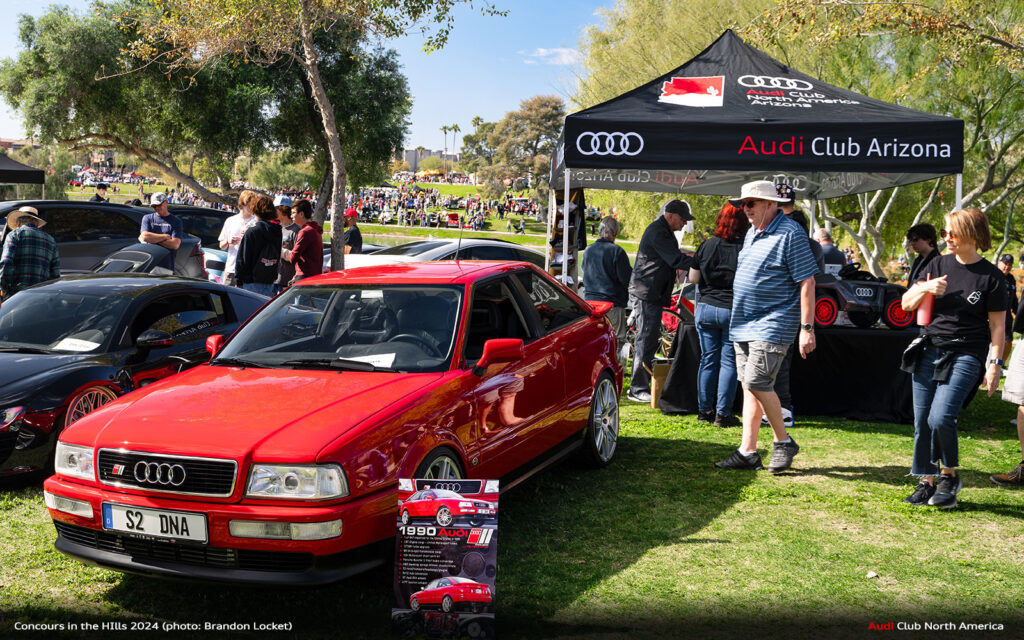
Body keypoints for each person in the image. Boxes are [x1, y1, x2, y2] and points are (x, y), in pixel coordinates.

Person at [900, 208, 1006, 508]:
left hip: (967, 353)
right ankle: (927, 481)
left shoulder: (992, 276)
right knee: (923, 421)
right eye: (944, 232)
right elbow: (906, 303)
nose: (946, 237)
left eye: (951, 232)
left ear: (971, 234)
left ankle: (949, 475)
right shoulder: (936, 263)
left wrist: (995, 364)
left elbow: (998, 326)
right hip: (929, 348)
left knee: (941, 417)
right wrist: (925, 287)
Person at [714, 180, 818, 473]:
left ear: (771, 204)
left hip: (773, 323)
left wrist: (807, 328)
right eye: (743, 204)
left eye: (751, 203)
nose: (745, 209)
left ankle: (783, 442)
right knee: (749, 387)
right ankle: (747, 452)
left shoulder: (791, 233)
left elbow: (807, 281)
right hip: (744, 323)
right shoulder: (752, 232)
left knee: (758, 383)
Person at [626, 199, 695, 404]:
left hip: (651, 293)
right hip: (647, 293)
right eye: (683, 219)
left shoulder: (664, 231)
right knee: (646, 340)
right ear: (670, 215)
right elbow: (675, 259)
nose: (685, 224)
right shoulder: (658, 232)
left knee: (649, 339)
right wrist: (703, 262)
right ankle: (637, 388)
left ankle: (642, 384)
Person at [689, 203, 750, 428]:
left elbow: (693, 278)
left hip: (706, 308)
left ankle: (704, 411)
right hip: (732, 309)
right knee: (729, 362)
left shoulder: (707, 245)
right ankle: (723, 414)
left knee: (708, 360)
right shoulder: (746, 247)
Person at [582, 216, 633, 355]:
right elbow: (627, 279)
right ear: (615, 232)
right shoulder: (617, 251)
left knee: (595, 340)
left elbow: (585, 272)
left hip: (591, 304)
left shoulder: (588, 250)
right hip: (611, 304)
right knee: (616, 341)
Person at [0, 206, 60, 300]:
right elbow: (55, 274)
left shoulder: (14, 235)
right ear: (36, 223)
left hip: (16, 295)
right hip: (41, 295)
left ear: (18, 222)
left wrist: (2, 288)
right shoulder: (51, 240)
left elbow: (6, 262)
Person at [235, 194, 282, 297]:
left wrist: (238, 280)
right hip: (269, 281)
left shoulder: (252, 232)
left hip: (251, 282)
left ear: (254, 209)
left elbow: (243, 259)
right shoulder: (277, 231)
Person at [218, 190, 258, 286]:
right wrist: (228, 241)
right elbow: (221, 246)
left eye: (254, 204)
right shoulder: (230, 221)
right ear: (242, 204)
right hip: (231, 269)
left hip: (249, 270)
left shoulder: (256, 222)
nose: (252, 207)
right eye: (250, 204)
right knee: (227, 294)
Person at [138, 192, 183, 272]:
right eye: (153, 206)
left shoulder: (176, 221)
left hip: (166, 266)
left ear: (166, 202)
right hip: (148, 264)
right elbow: (145, 236)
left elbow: (175, 244)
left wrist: (152, 240)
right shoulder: (147, 218)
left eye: (158, 205)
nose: (156, 208)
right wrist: (165, 237)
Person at [282, 199, 323, 282]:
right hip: (314, 276)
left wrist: (281, 251)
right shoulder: (315, 229)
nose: (291, 216)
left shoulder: (305, 232)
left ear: (301, 214)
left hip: (305, 277)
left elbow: (293, 258)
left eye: (293, 213)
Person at [274, 195, 299, 294]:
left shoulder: (296, 231)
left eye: (276, 208)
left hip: (287, 281)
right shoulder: (276, 228)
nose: (273, 211)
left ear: (283, 209)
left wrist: (278, 250)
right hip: (274, 279)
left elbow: (297, 256)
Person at [997, 254, 1018, 364]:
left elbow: (1014, 299)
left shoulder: (1011, 279)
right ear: (999, 263)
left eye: (1010, 264)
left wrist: (1019, 313)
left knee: (1008, 341)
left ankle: (1001, 365)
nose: (1007, 267)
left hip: (1007, 316)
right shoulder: (993, 275)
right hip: (992, 314)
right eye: (1005, 263)